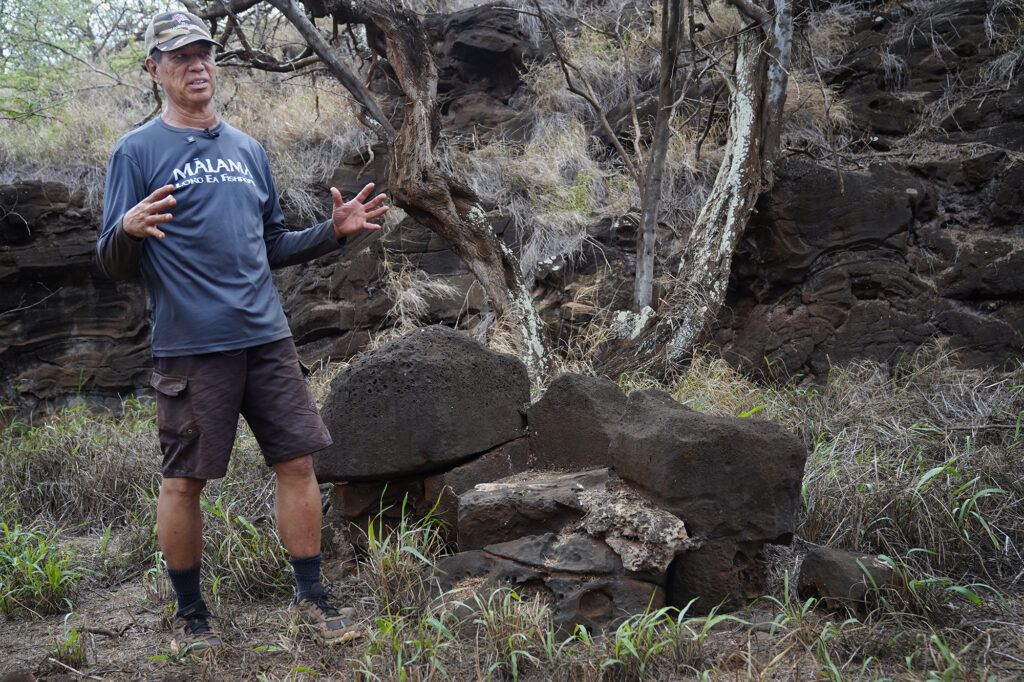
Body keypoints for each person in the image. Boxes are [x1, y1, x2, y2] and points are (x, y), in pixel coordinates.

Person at [96, 10, 387, 654]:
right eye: (178, 56)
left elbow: (273, 244)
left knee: (298, 463)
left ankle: (312, 597)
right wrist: (127, 229)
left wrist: (331, 234)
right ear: (154, 71)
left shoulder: (247, 149)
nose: (196, 63)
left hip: (267, 338)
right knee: (184, 481)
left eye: (203, 51)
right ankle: (191, 613)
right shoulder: (135, 152)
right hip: (193, 347)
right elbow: (110, 260)